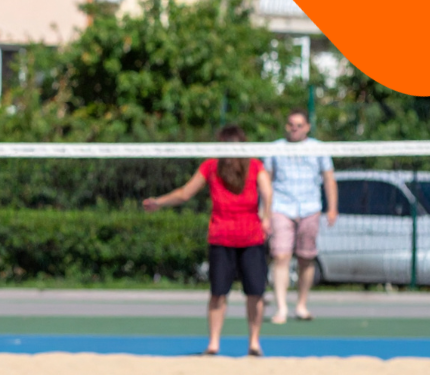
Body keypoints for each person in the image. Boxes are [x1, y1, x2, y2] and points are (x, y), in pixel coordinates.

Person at [143, 126, 273, 356]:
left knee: (255, 293)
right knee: (218, 293)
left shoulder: (254, 165)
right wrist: (159, 202)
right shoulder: (211, 166)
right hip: (221, 237)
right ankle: (213, 343)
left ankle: (254, 342)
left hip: (251, 238)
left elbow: (268, 191)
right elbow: (185, 193)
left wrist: (267, 216)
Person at [264, 109, 338, 324]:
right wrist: (265, 212)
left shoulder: (318, 148)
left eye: (299, 125)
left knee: (306, 257)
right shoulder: (274, 148)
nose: (294, 128)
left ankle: (301, 305)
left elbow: (329, 179)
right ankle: (281, 308)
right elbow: (265, 181)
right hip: (281, 207)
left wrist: (332, 207)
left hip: (309, 207)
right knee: (281, 256)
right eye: (290, 124)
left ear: (307, 127)